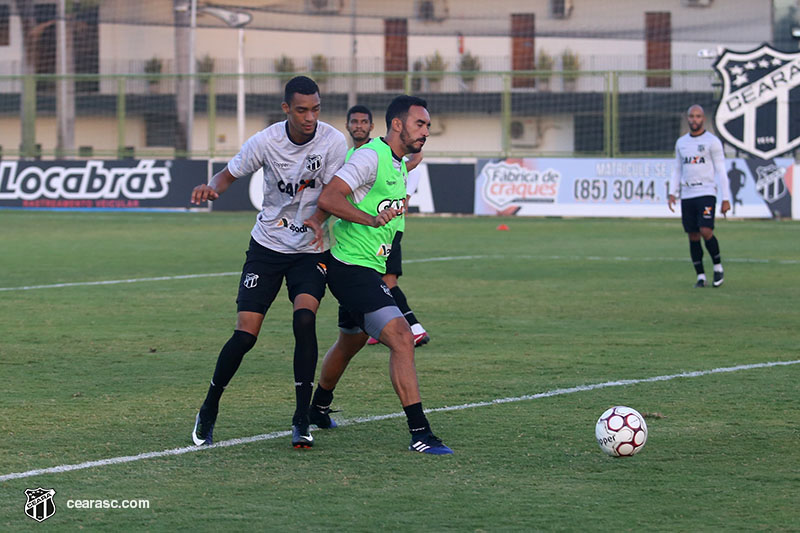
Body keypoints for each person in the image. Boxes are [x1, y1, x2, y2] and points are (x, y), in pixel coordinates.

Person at [189, 76, 348, 449]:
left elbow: (333, 194)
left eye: (316, 109)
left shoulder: (332, 142)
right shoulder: (266, 141)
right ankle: (209, 406)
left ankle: (300, 418)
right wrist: (211, 187)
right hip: (267, 246)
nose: (310, 117)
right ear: (286, 109)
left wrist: (318, 221)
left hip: (310, 250)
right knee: (245, 335)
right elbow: (226, 175)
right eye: (302, 110)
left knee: (305, 318)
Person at [305, 95, 453, 454]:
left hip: (367, 263)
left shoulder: (396, 160)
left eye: (429, 126)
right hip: (349, 265)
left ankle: (318, 409)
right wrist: (370, 219)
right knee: (402, 337)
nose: (427, 132)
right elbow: (330, 197)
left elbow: (413, 157)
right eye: (421, 124)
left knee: (351, 340)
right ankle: (420, 433)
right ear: (398, 125)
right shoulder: (370, 157)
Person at [345, 104, 430, 347]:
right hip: (359, 236)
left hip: (386, 229)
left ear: (372, 126)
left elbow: (403, 190)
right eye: (354, 122)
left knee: (387, 281)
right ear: (347, 126)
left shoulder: (388, 154)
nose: (358, 126)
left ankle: (412, 326)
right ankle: (372, 327)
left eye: (363, 122)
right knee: (373, 281)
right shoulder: (353, 156)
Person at [668, 104, 731, 288]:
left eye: (698, 116)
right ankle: (701, 276)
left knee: (705, 231)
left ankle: (718, 267)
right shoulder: (681, 142)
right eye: (691, 116)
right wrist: (672, 192)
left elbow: (721, 171)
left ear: (703, 119)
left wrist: (725, 198)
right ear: (688, 118)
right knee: (693, 235)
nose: (694, 120)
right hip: (687, 194)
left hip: (706, 192)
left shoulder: (712, 142)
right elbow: (678, 168)